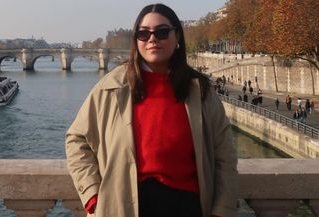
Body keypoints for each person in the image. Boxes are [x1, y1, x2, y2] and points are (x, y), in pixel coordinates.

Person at [65, 4, 238, 217]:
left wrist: (222, 209)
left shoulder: (201, 90)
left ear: (177, 38)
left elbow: (225, 156)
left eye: (162, 32)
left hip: (186, 206)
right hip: (125, 205)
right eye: (143, 33)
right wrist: (92, 195)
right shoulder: (110, 87)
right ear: (136, 41)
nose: (152, 39)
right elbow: (76, 140)